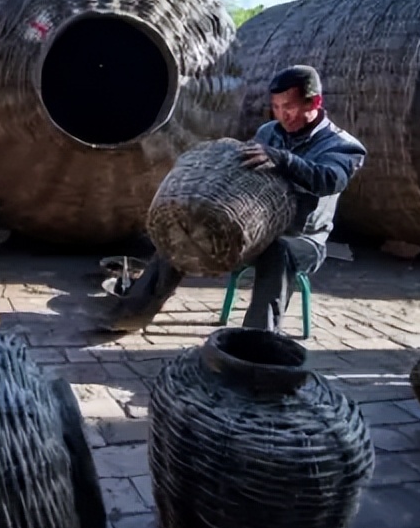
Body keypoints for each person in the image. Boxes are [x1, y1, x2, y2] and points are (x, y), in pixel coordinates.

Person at [104, 65, 366, 335]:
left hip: (302, 239)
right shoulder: (269, 132)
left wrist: (284, 160)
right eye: (276, 107)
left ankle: (255, 340)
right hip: (257, 229)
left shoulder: (342, 146)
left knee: (278, 252)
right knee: (183, 228)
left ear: (315, 102)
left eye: (289, 106)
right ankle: (131, 314)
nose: (282, 115)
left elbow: (330, 179)